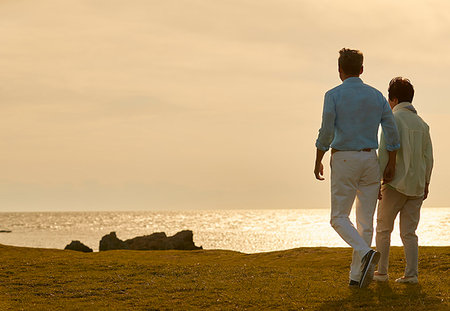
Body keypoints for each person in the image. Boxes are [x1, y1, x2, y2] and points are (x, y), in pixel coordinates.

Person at [314, 48, 400, 288]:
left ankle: (365, 252)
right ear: (361, 69)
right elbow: (391, 131)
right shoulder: (376, 96)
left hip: (344, 159)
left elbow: (327, 131)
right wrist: (391, 162)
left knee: (338, 217)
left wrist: (318, 156)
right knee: (365, 222)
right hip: (370, 159)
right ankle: (356, 276)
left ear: (340, 70)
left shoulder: (333, 95)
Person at [374, 77, 433, 284]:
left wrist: (377, 180)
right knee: (409, 232)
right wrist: (426, 183)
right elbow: (429, 158)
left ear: (394, 99)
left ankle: (381, 272)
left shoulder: (393, 119)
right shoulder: (423, 125)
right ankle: (411, 274)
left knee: (383, 229)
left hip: (394, 184)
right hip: (417, 185)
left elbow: (384, 152)